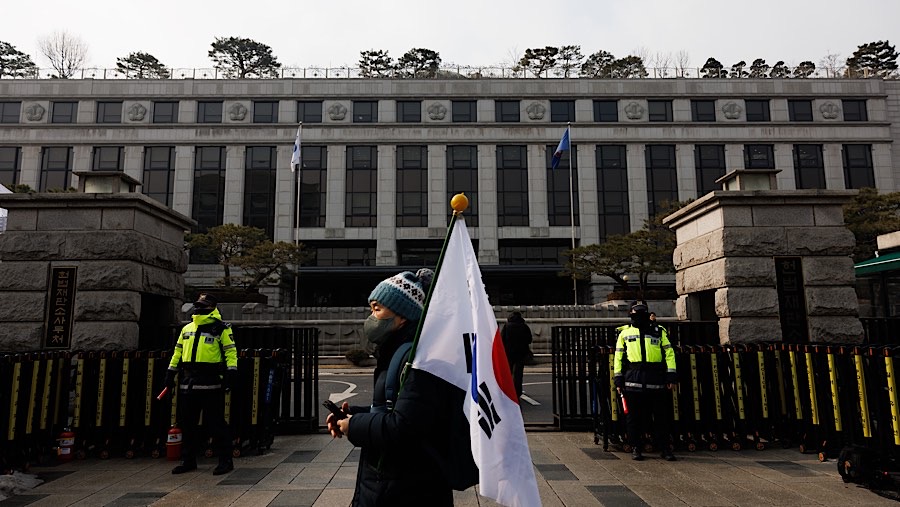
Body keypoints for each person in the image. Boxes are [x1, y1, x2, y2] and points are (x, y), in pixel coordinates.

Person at [327, 269, 478, 506]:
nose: (371, 317)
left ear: (403, 316)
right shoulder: (397, 354)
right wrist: (355, 414)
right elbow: (400, 409)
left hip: (407, 487)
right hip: (390, 482)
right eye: (371, 309)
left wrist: (353, 426)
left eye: (377, 308)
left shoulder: (418, 361)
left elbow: (404, 428)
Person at [164, 292, 238, 475]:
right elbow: (177, 352)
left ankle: (225, 460)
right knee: (187, 424)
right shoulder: (187, 328)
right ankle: (188, 460)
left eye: (203, 306)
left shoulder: (221, 328)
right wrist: (170, 372)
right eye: (197, 305)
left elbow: (230, 352)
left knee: (216, 424)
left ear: (212, 307)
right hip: (188, 382)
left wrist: (231, 372)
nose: (198, 309)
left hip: (211, 382)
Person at [613, 300, 677, 461]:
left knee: (661, 417)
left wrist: (671, 376)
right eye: (636, 313)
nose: (639, 316)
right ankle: (636, 447)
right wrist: (618, 379)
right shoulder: (624, 333)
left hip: (656, 380)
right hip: (633, 381)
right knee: (634, 418)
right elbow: (618, 358)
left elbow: (669, 354)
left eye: (642, 312)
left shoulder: (659, 331)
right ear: (631, 314)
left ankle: (664, 448)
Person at [500, 311, 533, 400]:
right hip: (521, 353)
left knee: (508, 372)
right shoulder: (524, 326)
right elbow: (529, 339)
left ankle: (507, 391)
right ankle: (517, 391)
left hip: (508, 353)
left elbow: (502, 339)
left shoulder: (507, 326)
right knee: (518, 374)